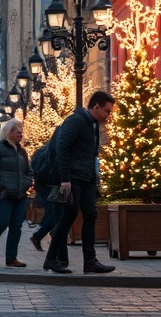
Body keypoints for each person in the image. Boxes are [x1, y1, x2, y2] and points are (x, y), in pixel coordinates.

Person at [44, 90, 117, 275]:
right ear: (96, 106)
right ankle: (51, 259)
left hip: (87, 179)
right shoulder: (75, 121)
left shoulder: (93, 125)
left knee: (90, 215)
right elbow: (62, 147)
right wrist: (65, 178)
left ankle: (90, 262)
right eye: (107, 111)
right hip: (73, 178)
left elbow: (91, 154)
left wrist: (94, 177)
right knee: (68, 216)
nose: (108, 116)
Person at [0, 118, 33, 268]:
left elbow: (28, 171)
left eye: (21, 132)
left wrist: (27, 182)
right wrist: (2, 187)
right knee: (1, 223)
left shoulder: (22, 151)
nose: (20, 134)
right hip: (3, 195)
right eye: (17, 131)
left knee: (16, 226)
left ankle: (11, 258)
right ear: (9, 132)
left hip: (20, 195)